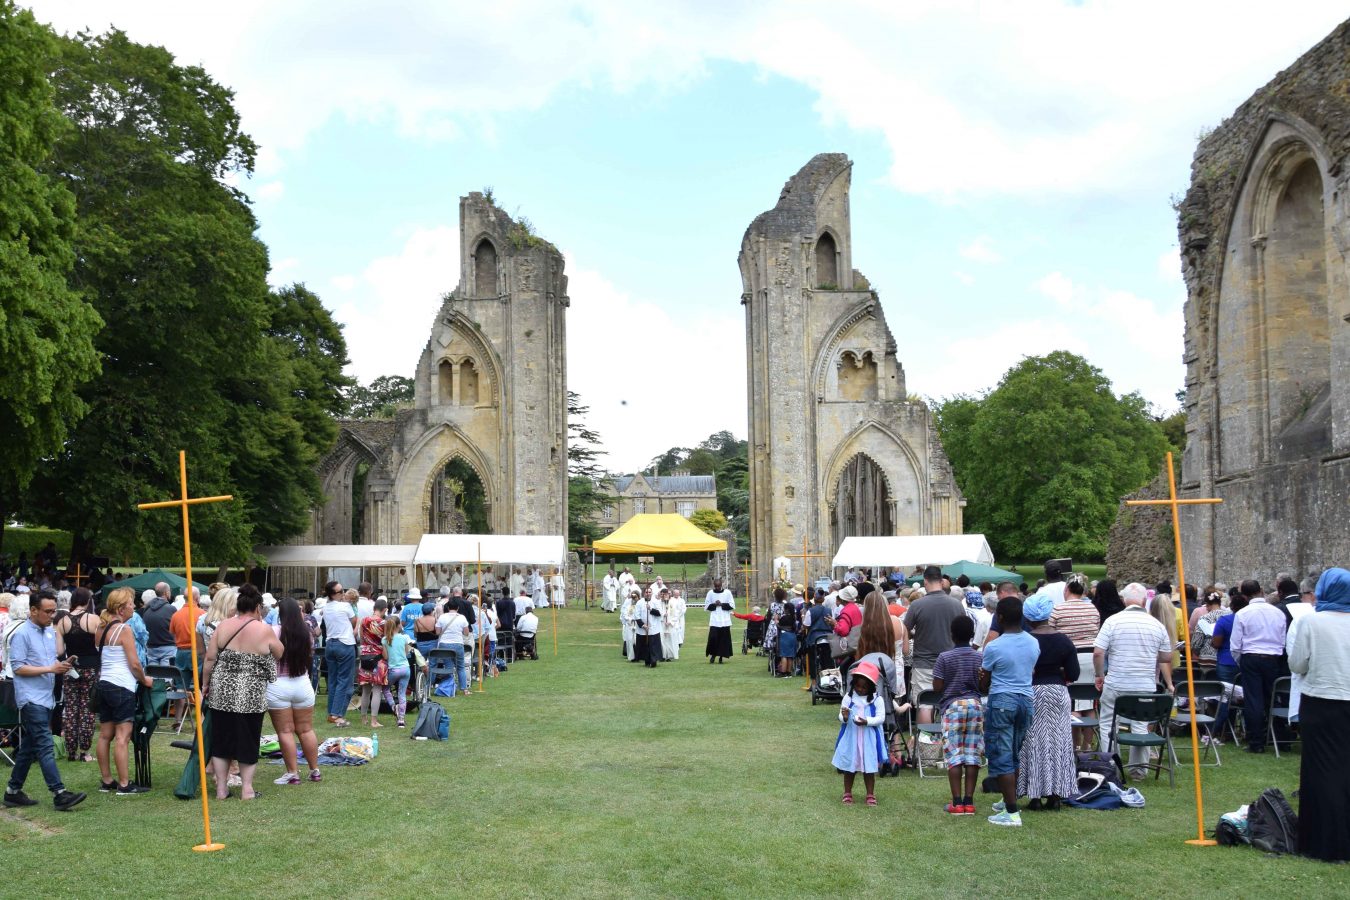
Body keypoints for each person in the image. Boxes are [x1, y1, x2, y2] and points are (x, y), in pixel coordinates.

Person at [2, 590, 87, 811]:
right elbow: (18, 667)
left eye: (53, 611)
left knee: (30, 747)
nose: (52, 616)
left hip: (46, 697)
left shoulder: (49, 633)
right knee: (45, 745)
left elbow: (49, 661)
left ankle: (13, 791)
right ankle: (59, 793)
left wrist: (62, 663)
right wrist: (51, 668)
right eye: (48, 612)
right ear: (33, 610)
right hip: (31, 699)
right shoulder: (21, 635)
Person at [1287, 568, 1350, 862]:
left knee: (1321, 772)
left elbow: (1297, 664)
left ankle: (1324, 842)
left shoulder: (1311, 621)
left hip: (1322, 700)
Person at [202, 583, 281, 801]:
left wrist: (205, 685)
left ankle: (221, 789)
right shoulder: (263, 629)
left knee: (222, 740)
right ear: (257, 607)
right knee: (249, 739)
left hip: (222, 690)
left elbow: (209, 659)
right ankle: (247, 789)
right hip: (251, 693)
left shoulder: (223, 626)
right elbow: (280, 652)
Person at [1093, 582, 1172, 778]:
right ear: (1144, 600)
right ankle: (1139, 769)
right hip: (1143, 683)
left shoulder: (1112, 621)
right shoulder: (1157, 625)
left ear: (1123, 600)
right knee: (1140, 723)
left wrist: (1099, 675)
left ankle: (1111, 764)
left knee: (1107, 722)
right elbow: (1166, 657)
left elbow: (1098, 652)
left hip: (1117, 681)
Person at [979, 595, 1040, 827]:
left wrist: (982, 680)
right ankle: (1008, 801)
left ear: (1000, 617)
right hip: (1026, 700)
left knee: (1002, 754)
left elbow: (984, 682)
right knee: (1014, 751)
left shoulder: (994, 646)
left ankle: (1012, 812)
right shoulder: (1033, 642)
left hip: (1003, 700)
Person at [1017, 595, 1079, 810]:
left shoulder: (1025, 640)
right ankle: (1056, 792)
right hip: (1056, 690)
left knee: (1032, 741)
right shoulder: (1063, 640)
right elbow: (1074, 673)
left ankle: (1034, 793)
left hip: (1031, 690)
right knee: (1058, 741)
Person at [92, 588, 154, 795]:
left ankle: (107, 780)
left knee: (104, 736)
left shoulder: (100, 628)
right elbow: (134, 663)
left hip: (104, 684)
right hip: (121, 685)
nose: (134, 607)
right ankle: (125, 784)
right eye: (130, 603)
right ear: (120, 608)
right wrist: (145, 680)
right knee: (122, 736)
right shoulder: (124, 630)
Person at [931, 616, 983, 815]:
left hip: (952, 707)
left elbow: (937, 686)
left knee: (954, 754)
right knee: (972, 754)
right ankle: (969, 802)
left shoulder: (945, 657)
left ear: (951, 634)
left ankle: (956, 802)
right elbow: (983, 683)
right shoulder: (979, 657)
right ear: (972, 635)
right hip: (975, 705)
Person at [267, 597, 321, 785]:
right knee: (306, 729)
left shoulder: (274, 631)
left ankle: (293, 773)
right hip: (302, 683)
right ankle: (315, 770)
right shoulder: (307, 634)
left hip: (278, 684)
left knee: (285, 731)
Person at [1230, 578, 1288, 753]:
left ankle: (1257, 742)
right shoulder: (1277, 612)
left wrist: (1241, 661)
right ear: (1261, 591)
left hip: (1251, 656)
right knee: (1274, 697)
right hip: (1272, 657)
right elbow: (1283, 639)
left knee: (1254, 700)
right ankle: (1281, 738)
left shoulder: (1243, 613)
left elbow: (1235, 644)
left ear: (1244, 595)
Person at [904, 566, 965, 720]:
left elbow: (905, 629)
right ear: (941, 581)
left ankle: (925, 741)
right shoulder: (957, 605)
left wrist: (913, 636)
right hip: (951, 662)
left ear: (925, 581)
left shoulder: (917, 605)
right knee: (952, 702)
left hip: (924, 663)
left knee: (925, 703)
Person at [832, 660, 886, 806]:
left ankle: (870, 794)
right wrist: (844, 716)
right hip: (851, 737)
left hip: (868, 739)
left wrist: (867, 721)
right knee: (850, 767)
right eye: (857, 686)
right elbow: (841, 716)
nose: (860, 689)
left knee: (869, 768)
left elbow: (881, 718)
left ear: (871, 687)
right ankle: (847, 793)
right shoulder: (849, 698)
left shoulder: (877, 700)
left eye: (864, 687)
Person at [55, 587, 99, 763]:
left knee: (71, 710)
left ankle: (71, 751)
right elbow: (98, 646)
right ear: (88, 601)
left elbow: (59, 650)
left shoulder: (62, 622)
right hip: (91, 668)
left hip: (70, 668)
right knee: (88, 709)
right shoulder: (93, 619)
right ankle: (85, 752)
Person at [320, 581, 357, 727]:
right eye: (340, 591)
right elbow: (354, 622)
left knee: (333, 680)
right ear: (333, 594)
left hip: (330, 644)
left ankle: (332, 713)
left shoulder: (326, 607)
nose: (343, 593)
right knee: (345, 682)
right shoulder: (345, 606)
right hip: (344, 644)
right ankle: (336, 714)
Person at [356, 598, 390, 728]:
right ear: (385, 610)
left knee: (365, 690)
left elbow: (361, 638)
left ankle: (363, 718)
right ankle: (373, 721)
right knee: (377, 690)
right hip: (378, 658)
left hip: (364, 656)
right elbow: (386, 640)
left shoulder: (363, 620)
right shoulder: (383, 623)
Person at [381, 615, 415, 728]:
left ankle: (393, 706)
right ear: (398, 625)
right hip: (405, 668)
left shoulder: (385, 640)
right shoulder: (405, 638)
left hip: (393, 669)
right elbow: (406, 653)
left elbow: (385, 657)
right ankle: (401, 719)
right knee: (402, 693)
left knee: (385, 688)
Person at [142, 582, 177, 668]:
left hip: (151, 647)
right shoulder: (171, 609)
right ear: (166, 593)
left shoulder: (147, 608)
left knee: (153, 677)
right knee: (167, 678)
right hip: (168, 647)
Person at [704, 578, 735, 664]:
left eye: (719, 586)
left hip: (725, 619)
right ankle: (713, 655)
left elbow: (732, 605)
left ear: (722, 585)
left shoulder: (727, 592)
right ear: (714, 585)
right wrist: (714, 604)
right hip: (714, 619)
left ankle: (721, 656)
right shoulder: (710, 593)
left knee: (723, 639)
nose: (717, 587)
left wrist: (721, 604)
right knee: (713, 638)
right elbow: (706, 606)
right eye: (716, 586)